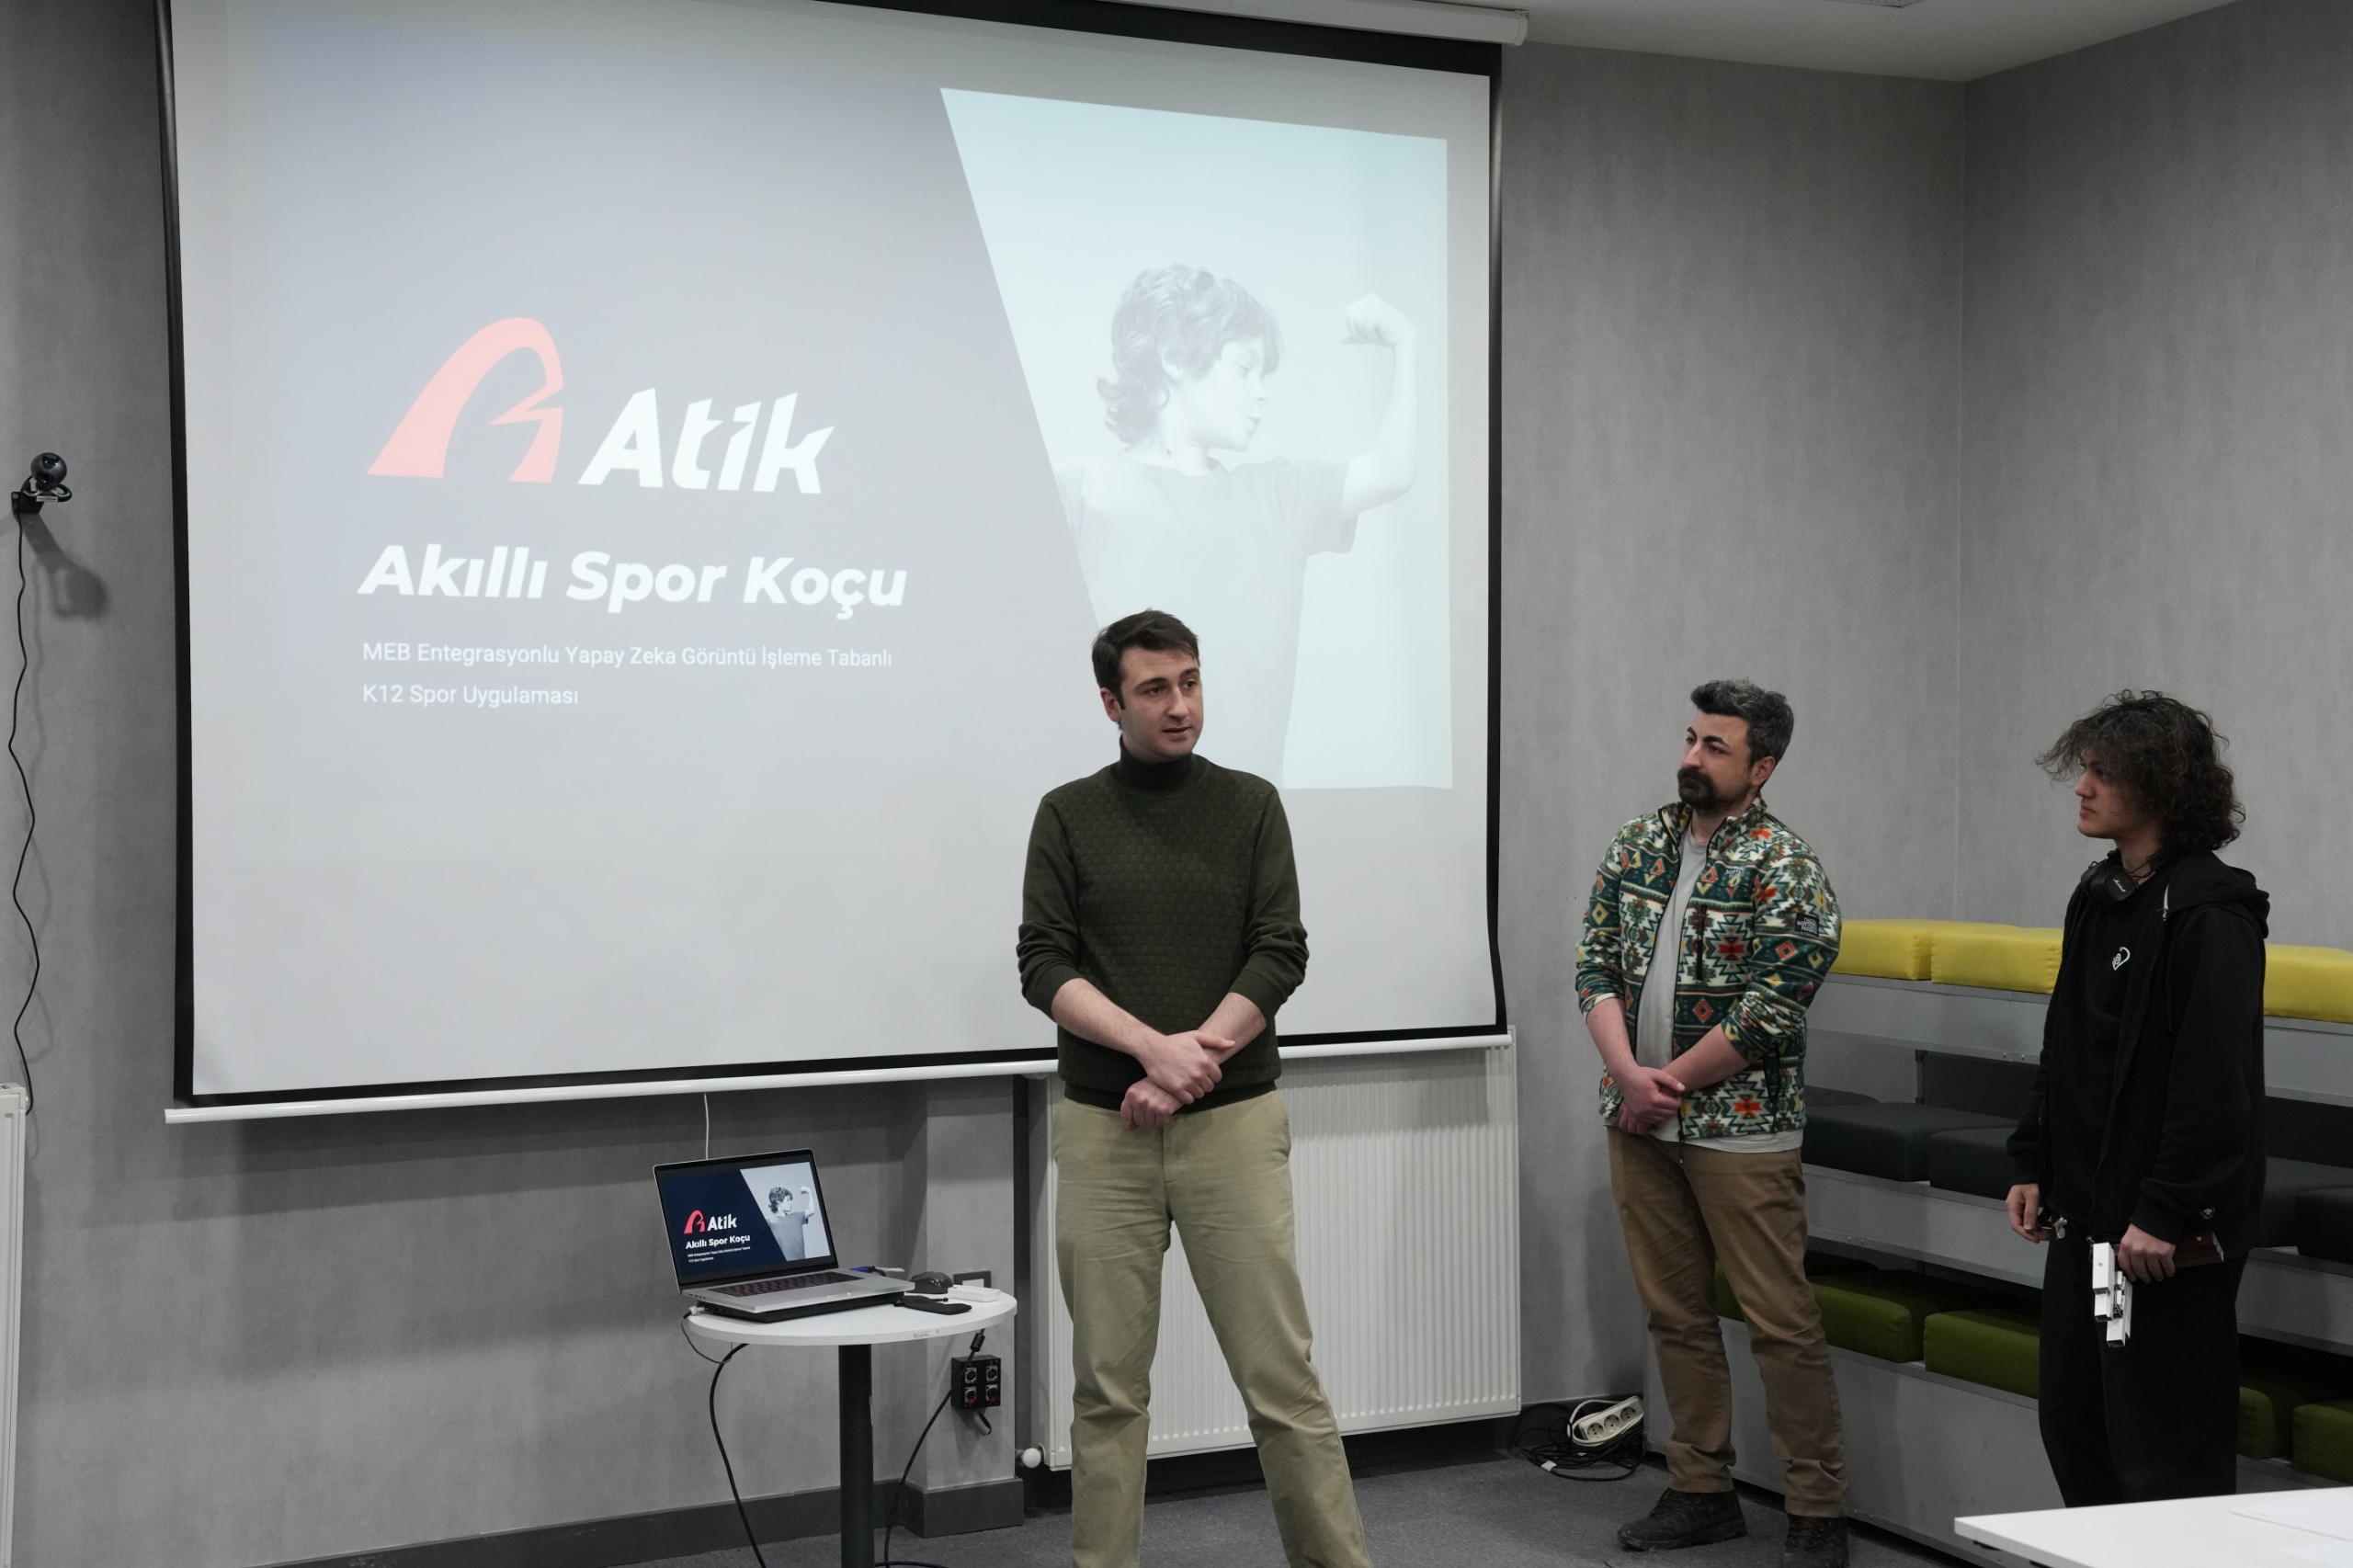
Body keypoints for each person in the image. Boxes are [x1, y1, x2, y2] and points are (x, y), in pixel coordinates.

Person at [1017, 608, 1370, 1568]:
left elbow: (1280, 948)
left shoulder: (1250, 804)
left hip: (1233, 1126)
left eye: (1190, 682)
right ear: (1111, 703)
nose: (1180, 705)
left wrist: (1189, 1066)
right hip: (1105, 1133)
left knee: (1280, 1379)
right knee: (1107, 1389)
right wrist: (1150, 1051)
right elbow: (1043, 963)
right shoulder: (1068, 813)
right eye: (1154, 689)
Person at [1574, 680, 1847, 1568]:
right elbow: (1593, 964)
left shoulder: (1786, 864)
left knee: (1780, 1322)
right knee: (1675, 1313)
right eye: (1691, 739)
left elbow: (1776, 1004)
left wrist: (1668, 1083)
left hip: (1743, 1127)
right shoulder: (1639, 842)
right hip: (1639, 1120)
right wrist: (1629, 1078)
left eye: (1715, 747)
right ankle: (1701, 1490)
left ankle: (1817, 1506)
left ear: (1762, 767)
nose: (1691, 757)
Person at [2005, 691, 2267, 1505]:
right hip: (2086, 1225)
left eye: (2101, 773)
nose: (2081, 788)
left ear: (2158, 786)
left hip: (2155, 1240)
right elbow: (2067, 1040)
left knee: (2161, 1451)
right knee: (2077, 1426)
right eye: (2084, 769)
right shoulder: (2102, 892)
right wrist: (2033, 1159)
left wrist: (2165, 1209)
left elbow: (2213, 1082)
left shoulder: (2209, 912)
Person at [1055, 264, 1415, 783]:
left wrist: (1406, 342)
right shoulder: (1080, 491)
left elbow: (1391, 472)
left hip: (1242, 810)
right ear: (1175, 358)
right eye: (1245, 368)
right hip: (1113, 805)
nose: (1261, 392)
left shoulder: (1278, 495)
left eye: (1263, 376)